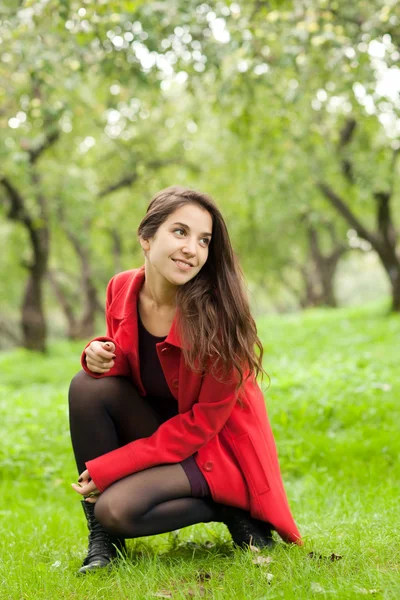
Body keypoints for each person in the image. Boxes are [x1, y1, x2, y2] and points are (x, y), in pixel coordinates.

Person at [69, 185, 301, 574]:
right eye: (180, 232)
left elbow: (202, 426)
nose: (192, 248)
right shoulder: (122, 287)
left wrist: (112, 466)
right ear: (146, 237)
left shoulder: (219, 316)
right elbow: (133, 365)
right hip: (166, 430)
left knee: (116, 509)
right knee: (86, 387)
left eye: (204, 240)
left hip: (216, 446)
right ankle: (103, 543)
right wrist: (99, 355)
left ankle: (234, 503)